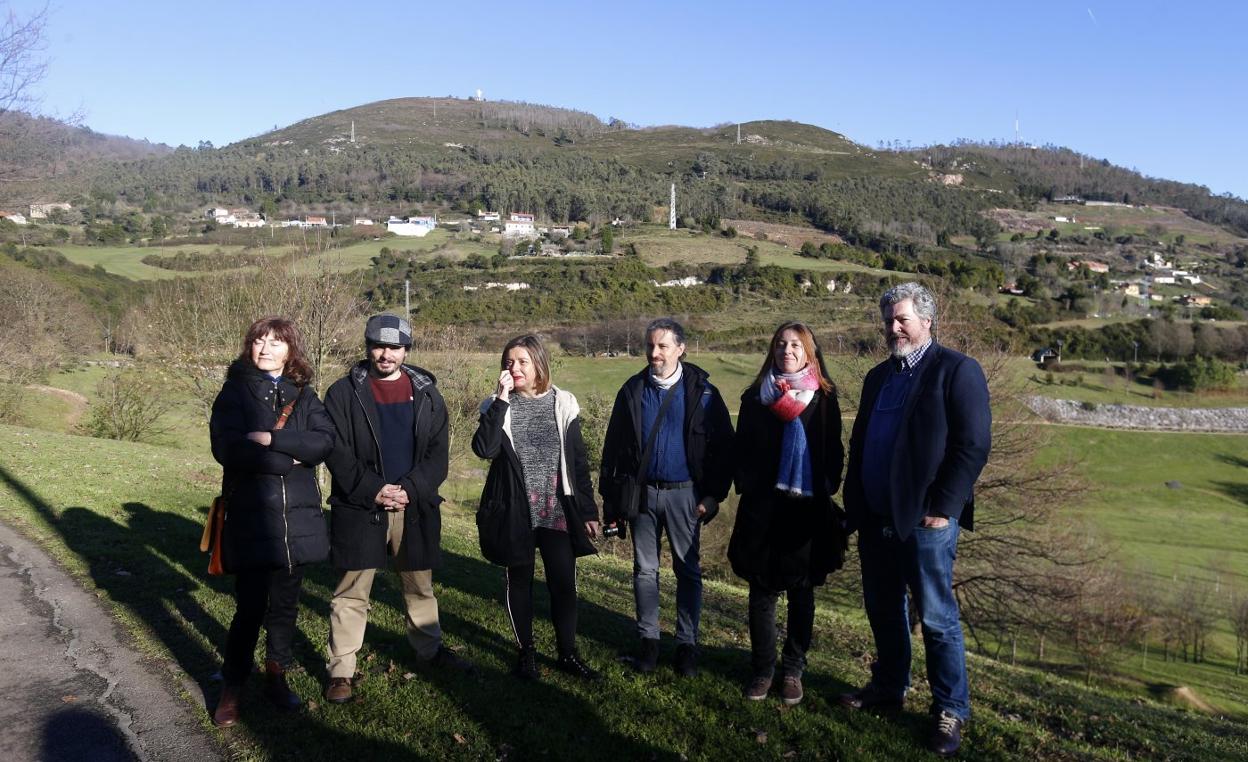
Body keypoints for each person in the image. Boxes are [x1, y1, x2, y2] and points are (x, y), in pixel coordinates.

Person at [838, 283, 991, 757]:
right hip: (876, 516)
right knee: (883, 609)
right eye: (888, 320)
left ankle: (950, 710)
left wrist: (942, 508)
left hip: (926, 522)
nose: (894, 327)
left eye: (902, 319)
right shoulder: (876, 377)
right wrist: (856, 506)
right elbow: (861, 444)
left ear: (927, 320)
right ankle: (889, 686)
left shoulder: (957, 370)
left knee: (938, 619)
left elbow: (973, 446)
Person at [321, 314, 470, 705]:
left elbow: (438, 455)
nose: (385, 354)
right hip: (360, 505)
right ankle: (341, 670)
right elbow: (335, 452)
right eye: (378, 345)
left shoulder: (427, 394)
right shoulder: (341, 394)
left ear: (406, 349)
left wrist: (409, 489)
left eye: (394, 347)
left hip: (413, 505)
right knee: (352, 591)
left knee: (419, 585)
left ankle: (429, 650)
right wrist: (374, 490)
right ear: (368, 346)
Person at [208, 316, 335, 727]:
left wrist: (272, 439)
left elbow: (324, 441)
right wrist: (290, 459)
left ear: (290, 350)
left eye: (276, 343)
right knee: (248, 608)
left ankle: (276, 675)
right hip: (252, 517)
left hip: (295, 523)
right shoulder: (235, 392)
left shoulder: (305, 395)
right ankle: (232, 685)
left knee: (284, 607)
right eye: (259, 342)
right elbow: (228, 449)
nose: (266, 349)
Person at [599, 318, 734, 676]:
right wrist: (611, 501)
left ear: (680, 349)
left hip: (686, 496)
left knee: (687, 571)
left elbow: (725, 450)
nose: (653, 353)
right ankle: (649, 642)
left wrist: (713, 495)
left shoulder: (704, 393)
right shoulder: (631, 390)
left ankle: (687, 646)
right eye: (650, 346)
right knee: (644, 570)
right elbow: (613, 450)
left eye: (661, 346)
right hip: (642, 496)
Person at [728, 322, 845, 707]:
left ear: (809, 352)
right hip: (763, 510)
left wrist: (824, 486)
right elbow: (741, 448)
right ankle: (762, 669)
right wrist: (750, 484)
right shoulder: (755, 398)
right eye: (780, 344)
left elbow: (833, 451)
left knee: (801, 592)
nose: (787, 350)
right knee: (762, 591)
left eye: (796, 345)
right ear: (772, 351)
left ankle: (793, 670)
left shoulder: (824, 399)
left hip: (805, 512)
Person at [471, 335, 601, 680]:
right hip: (515, 511)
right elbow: (484, 449)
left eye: (521, 362)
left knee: (563, 585)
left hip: (557, 511)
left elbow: (577, 462)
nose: (513, 368)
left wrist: (588, 512)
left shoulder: (564, 403)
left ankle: (567, 654)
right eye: (508, 362)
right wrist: (499, 401)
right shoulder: (496, 406)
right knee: (520, 583)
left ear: (538, 364)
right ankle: (525, 653)